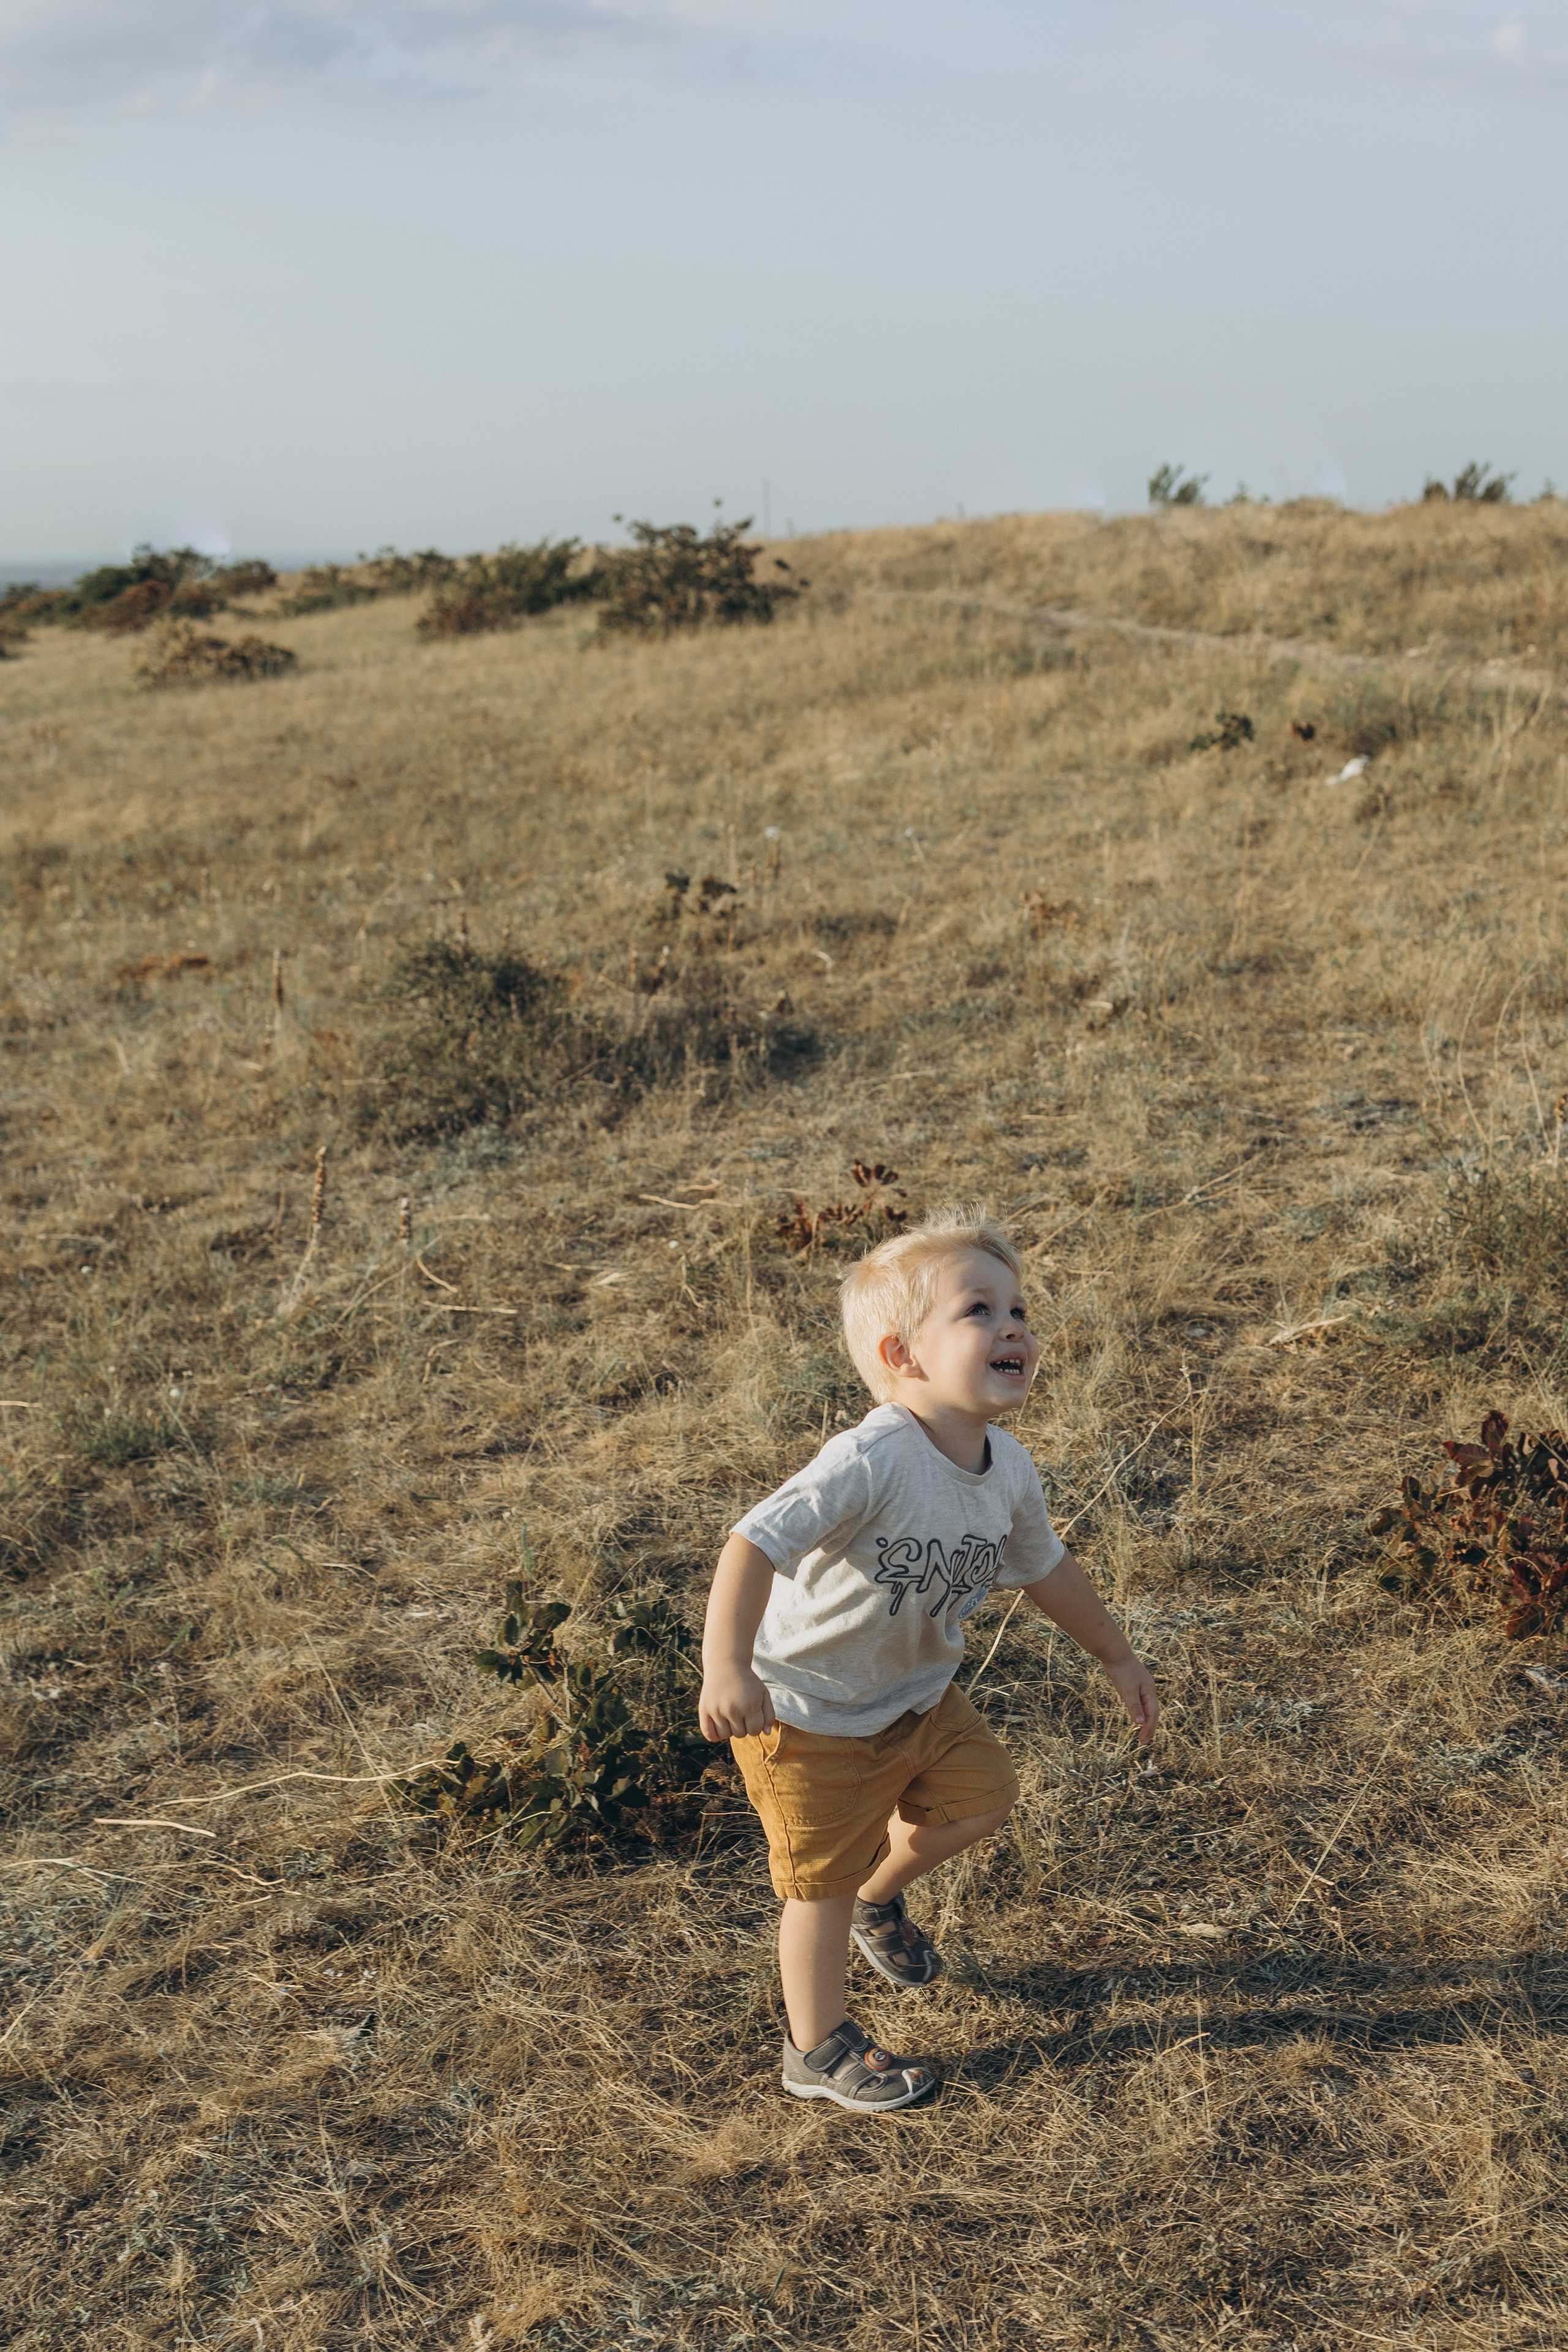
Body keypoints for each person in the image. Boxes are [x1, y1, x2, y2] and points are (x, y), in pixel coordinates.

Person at [697, 1207, 1159, 2113]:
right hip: (809, 1713)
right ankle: (816, 2048)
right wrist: (727, 1669)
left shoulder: (1010, 1468)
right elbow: (752, 1543)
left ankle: (882, 1896)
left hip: (918, 1698)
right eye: (979, 1310)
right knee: (814, 1890)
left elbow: (1046, 1569)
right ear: (903, 1355)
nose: (1015, 1326)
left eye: (1019, 1310)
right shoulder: (870, 1459)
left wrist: (1116, 1654)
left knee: (985, 1799)